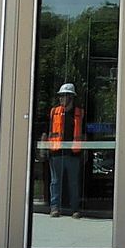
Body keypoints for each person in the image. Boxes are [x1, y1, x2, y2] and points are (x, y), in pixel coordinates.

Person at [44, 83, 84, 216]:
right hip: (56, 153)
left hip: (73, 154)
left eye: (64, 96)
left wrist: (86, 151)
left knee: (73, 183)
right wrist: (44, 148)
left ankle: (75, 209)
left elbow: (83, 134)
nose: (61, 99)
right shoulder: (54, 112)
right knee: (55, 182)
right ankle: (54, 208)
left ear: (71, 97)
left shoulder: (79, 113)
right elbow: (47, 131)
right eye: (60, 96)